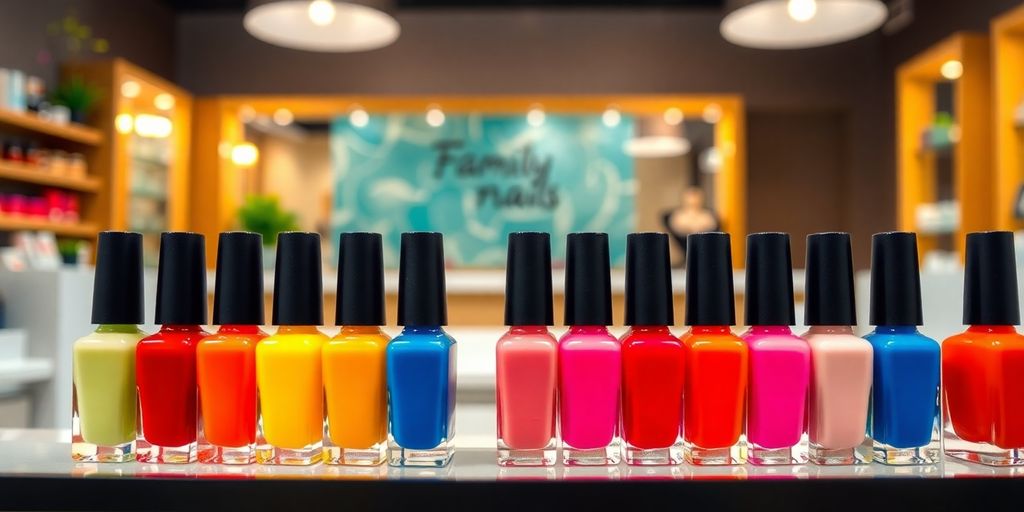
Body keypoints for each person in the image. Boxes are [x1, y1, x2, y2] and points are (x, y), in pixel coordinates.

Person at [661, 187, 719, 267]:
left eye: (696, 195)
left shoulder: (709, 216)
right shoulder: (676, 216)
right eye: (690, 195)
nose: (693, 199)